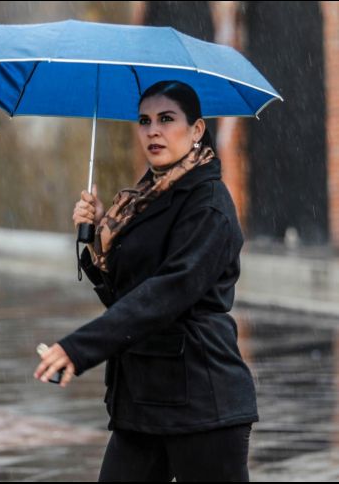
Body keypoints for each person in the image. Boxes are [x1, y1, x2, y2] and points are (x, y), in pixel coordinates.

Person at [34, 80, 258, 481]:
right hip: (142, 400)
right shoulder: (143, 199)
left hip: (202, 401)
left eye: (166, 119)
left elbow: (167, 293)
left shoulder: (209, 204)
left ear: (196, 129)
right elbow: (128, 295)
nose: (153, 131)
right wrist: (99, 232)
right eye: (144, 121)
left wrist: (80, 348)